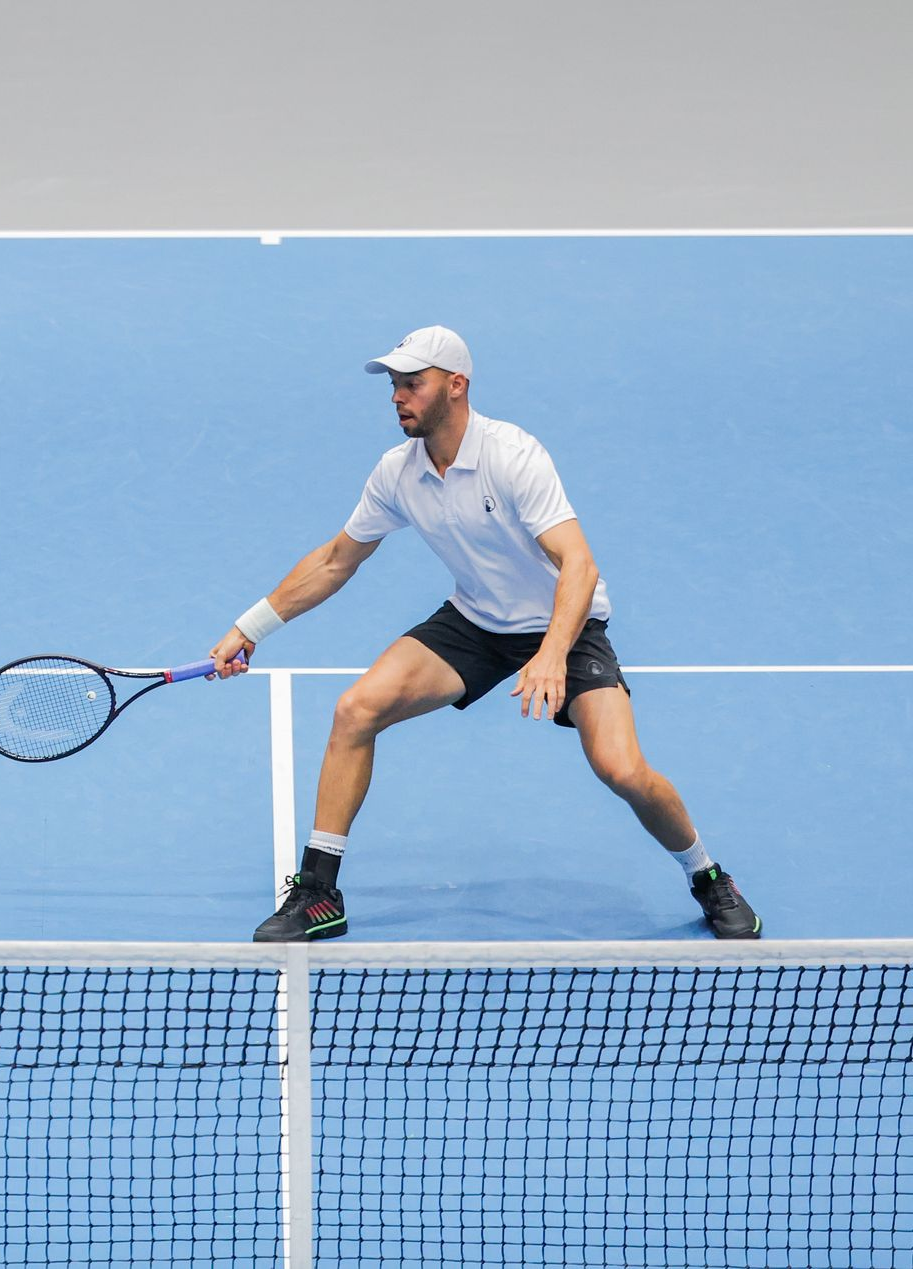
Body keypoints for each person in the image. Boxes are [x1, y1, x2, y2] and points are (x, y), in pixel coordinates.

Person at [210, 325, 760, 942]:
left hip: (565, 624)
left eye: (412, 384)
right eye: (393, 385)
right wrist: (249, 627)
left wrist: (553, 656)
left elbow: (579, 564)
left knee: (623, 770)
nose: (398, 397)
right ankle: (318, 895)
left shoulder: (512, 455)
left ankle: (709, 876)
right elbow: (337, 559)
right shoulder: (398, 472)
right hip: (476, 620)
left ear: (456, 385)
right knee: (356, 709)